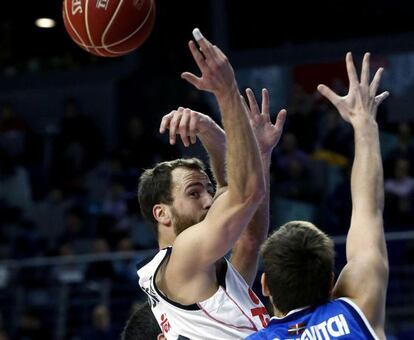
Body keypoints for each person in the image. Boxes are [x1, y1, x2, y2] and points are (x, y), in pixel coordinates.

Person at [137, 28, 286, 339]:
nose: (209, 200)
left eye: (208, 189)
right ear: (162, 213)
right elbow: (244, 194)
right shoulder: (184, 256)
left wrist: (213, 132)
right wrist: (226, 91)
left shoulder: (204, 274)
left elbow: (249, 236)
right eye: (194, 193)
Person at [246, 52, 389, 339]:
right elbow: (367, 207)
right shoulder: (357, 309)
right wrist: (364, 124)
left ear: (265, 286)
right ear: (331, 283)